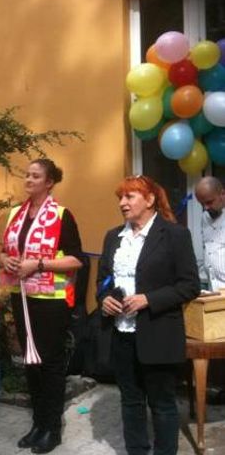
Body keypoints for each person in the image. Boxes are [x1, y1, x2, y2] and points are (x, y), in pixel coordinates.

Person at [98, 175, 200, 455]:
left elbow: (189, 285)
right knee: (130, 401)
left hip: (158, 333)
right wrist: (104, 299)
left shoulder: (175, 235)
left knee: (162, 404)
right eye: (120, 197)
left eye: (129, 197)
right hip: (121, 334)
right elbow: (102, 280)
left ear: (150, 200)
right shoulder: (113, 237)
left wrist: (149, 299)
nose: (122, 203)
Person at [0, 159, 83, 454]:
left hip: (51, 302)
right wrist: (5, 259)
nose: (29, 179)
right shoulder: (15, 214)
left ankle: (52, 429)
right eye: (27, 174)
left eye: (36, 176)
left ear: (49, 183)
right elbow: (3, 251)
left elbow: (76, 259)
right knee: (31, 364)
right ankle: (38, 424)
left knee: (50, 364)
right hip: (22, 297)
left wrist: (39, 264)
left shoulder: (61, 215)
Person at [194, 176, 225, 291]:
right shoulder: (205, 217)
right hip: (213, 288)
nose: (205, 208)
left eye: (209, 202)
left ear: (222, 194)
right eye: (202, 204)